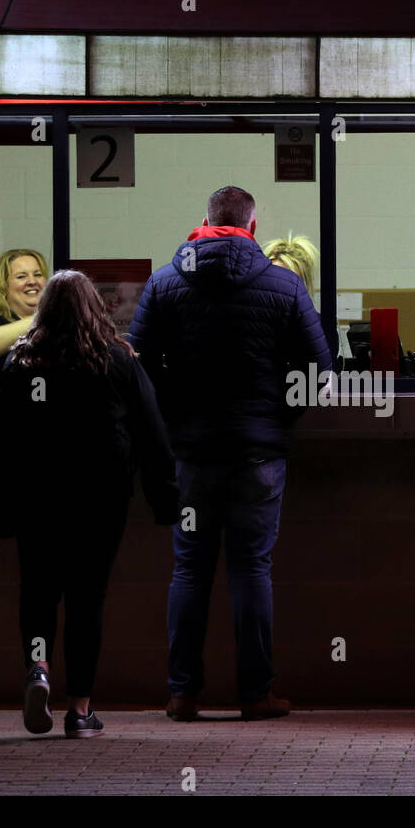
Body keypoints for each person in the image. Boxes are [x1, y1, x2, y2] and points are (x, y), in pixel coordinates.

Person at [129, 186, 332, 722]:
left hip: (191, 456)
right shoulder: (285, 285)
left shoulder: (164, 282)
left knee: (190, 570)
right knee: (251, 570)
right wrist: (277, 420)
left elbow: (137, 371)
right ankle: (256, 694)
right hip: (258, 457)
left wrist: (174, 421)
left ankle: (182, 694)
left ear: (203, 223)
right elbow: (320, 374)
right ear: (254, 226)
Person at [0, 270, 178, 739]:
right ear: (96, 308)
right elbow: (153, 435)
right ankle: (79, 710)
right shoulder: (117, 359)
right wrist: (165, 501)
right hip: (100, 496)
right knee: (86, 600)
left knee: (37, 592)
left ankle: (38, 669)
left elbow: (2, 444)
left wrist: (2, 509)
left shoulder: (21, 363)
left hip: (37, 497)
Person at [0, 249, 49, 378]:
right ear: (3, 286)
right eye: (21, 276)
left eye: (37, 274)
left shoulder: (58, 327)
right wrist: (41, 318)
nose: (32, 281)